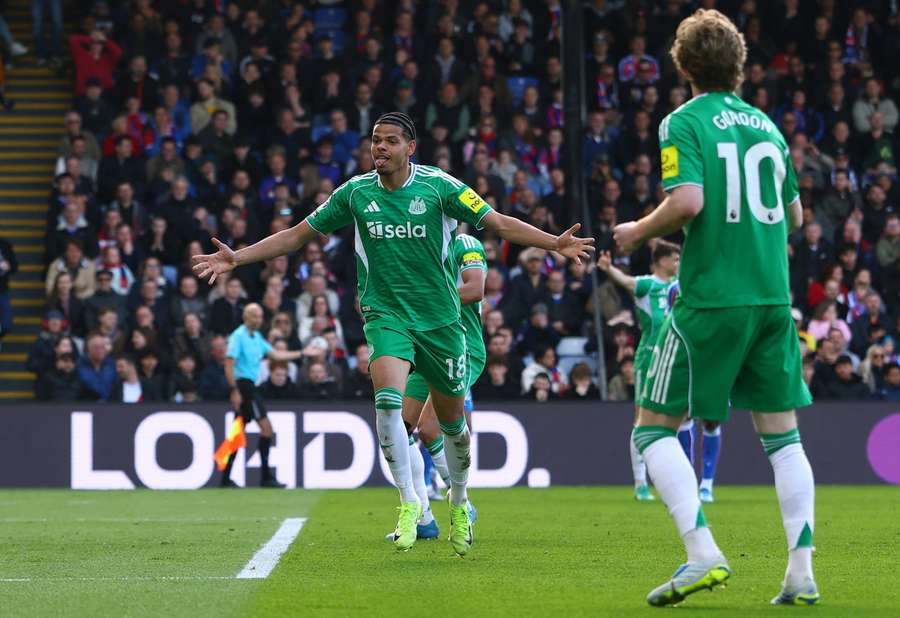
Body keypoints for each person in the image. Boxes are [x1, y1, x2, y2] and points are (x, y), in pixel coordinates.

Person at [192, 111, 593, 554]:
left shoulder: (441, 187)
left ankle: (459, 502)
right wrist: (239, 258)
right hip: (386, 316)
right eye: (375, 141)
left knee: (453, 426)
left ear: (410, 148)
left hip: (441, 322)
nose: (379, 148)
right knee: (388, 405)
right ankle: (411, 503)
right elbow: (296, 235)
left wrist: (553, 242)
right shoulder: (355, 193)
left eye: (389, 141)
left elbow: (496, 222)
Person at [613, 10, 818, 606]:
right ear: (741, 64)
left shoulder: (683, 121)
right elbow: (797, 218)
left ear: (681, 66)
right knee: (784, 440)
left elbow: (689, 201)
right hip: (772, 298)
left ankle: (702, 554)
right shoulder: (768, 128)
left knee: (653, 430)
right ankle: (801, 573)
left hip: (711, 299)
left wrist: (635, 230)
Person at [394, 233, 487, 540]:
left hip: (461, 348)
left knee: (440, 427)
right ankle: (423, 517)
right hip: (426, 346)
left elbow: (475, 288)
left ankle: (460, 502)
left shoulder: (465, 244)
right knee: (403, 428)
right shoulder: (420, 244)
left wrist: (429, 303)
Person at [597, 242, 695, 501]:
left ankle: (680, 478)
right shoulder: (647, 285)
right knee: (642, 419)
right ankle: (641, 482)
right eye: (674, 258)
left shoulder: (682, 286)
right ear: (660, 260)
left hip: (676, 358)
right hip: (650, 357)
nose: (677, 262)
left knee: (680, 418)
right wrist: (609, 269)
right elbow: (627, 282)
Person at [220, 303, 303, 489]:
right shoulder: (238, 336)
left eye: (259, 316)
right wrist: (234, 390)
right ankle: (265, 478)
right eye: (254, 316)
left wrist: (302, 353)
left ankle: (226, 478)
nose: (258, 319)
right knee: (266, 429)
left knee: (238, 433)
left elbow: (276, 355)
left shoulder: (256, 337)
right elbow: (228, 364)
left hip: (250, 387)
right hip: (244, 387)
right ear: (245, 316)